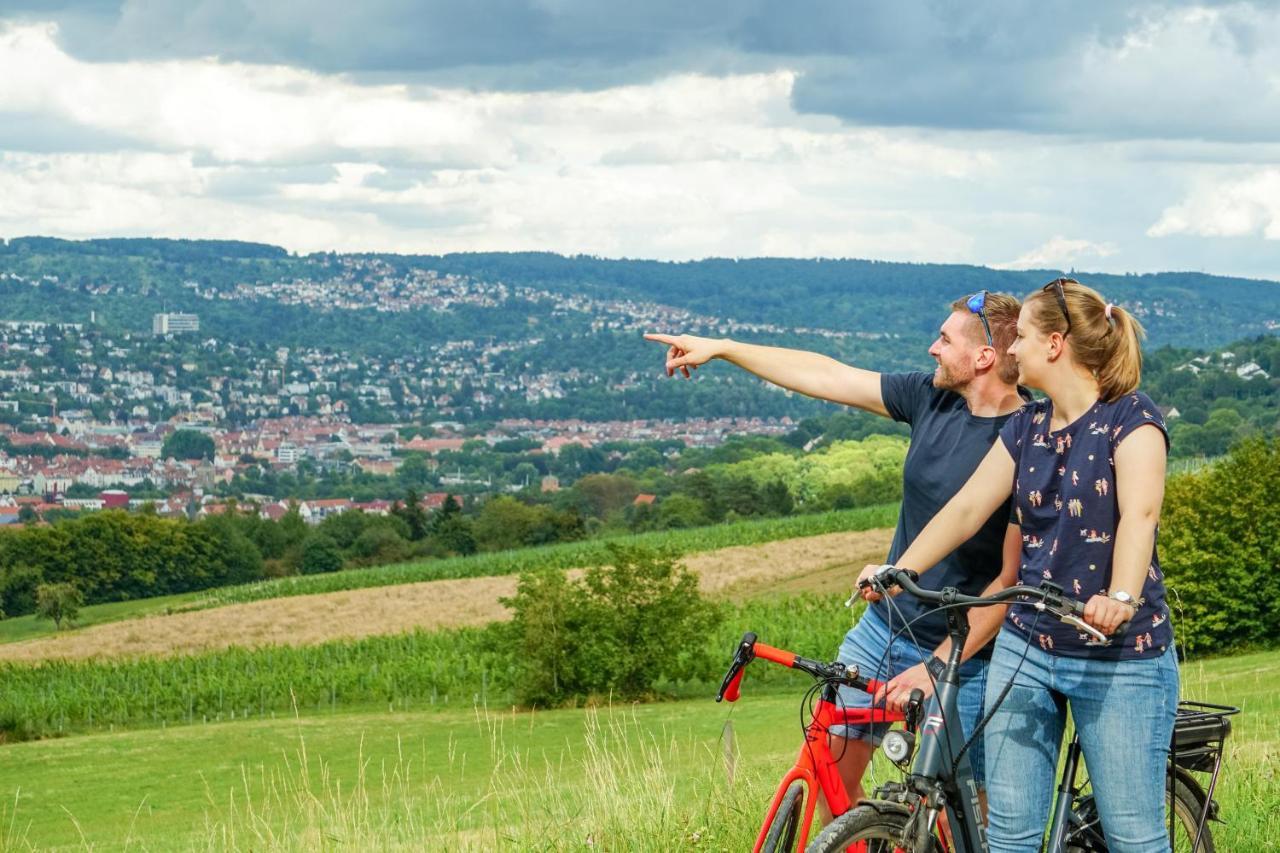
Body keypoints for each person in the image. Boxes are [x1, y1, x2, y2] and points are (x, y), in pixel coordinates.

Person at [645, 290, 1025, 808]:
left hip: (969, 655)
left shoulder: (1031, 438)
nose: (932, 349)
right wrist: (723, 347)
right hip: (884, 630)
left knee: (967, 816)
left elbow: (1011, 582)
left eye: (944, 338)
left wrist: (939, 665)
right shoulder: (931, 399)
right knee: (832, 785)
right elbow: (826, 374)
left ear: (983, 358)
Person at [858, 278, 1176, 852]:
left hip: (1118, 656)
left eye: (1022, 337)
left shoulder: (1133, 422)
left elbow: (1140, 519)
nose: (1011, 350)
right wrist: (896, 570)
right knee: (1010, 836)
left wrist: (1121, 598)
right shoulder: (1024, 428)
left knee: (1133, 835)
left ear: (1055, 344)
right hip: (1027, 647)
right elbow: (965, 510)